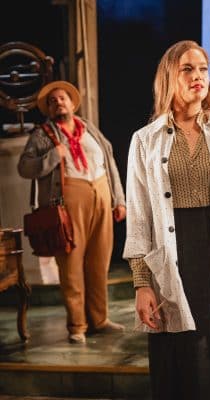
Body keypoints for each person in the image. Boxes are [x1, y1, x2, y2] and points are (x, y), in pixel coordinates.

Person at [123, 40, 210, 400]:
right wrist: (141, 284)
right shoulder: (144, 141)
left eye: (203, 69)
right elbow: (139, 218)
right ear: (168, 77)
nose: (198, 76)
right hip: (173, 260)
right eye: (187, 69)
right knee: (182, 362)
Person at [18, 81, 126, 344]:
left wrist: (119, 199)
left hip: (100, 191)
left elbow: (109, 160)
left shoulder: (88, 128)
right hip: (69, 199)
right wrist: (53, 156)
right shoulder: (43, 135)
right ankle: (77, 324)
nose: (58, 103)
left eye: (62, 98)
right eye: (52, 101)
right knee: (72, 265)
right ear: (48, 109)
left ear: (71, 103)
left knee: (100, 260)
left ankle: (99, 320)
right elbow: (25, 168)